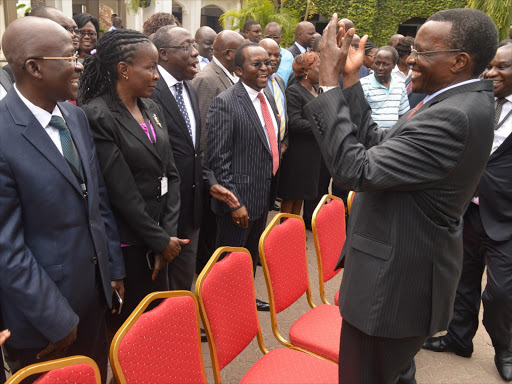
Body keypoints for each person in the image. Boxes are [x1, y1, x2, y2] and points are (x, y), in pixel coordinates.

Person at [306, 9, 498, 383]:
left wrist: (328, 83)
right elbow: (379, 144)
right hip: (400, 278)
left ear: (460, 61)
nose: (410, 59)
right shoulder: (451, 102)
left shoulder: (454, 115)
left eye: (422, 52)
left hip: (392, 288)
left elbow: (356, 170)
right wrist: (348, 79)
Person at [0, 17, 125, 382]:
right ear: (34, 67)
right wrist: (56, 318)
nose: (80, 63)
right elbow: (6, 248)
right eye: (69, 57)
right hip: (42, 316)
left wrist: (113, 269)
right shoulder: (4, 135)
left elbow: (97, 199)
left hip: (93, 298)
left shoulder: (74, 116)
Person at [79, 29, 185, 334]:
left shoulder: (151, 107)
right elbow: (121, 192)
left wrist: (169, 234)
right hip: (131, 245)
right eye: (149, 68)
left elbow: (172, 173)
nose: (156, 76)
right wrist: (159, 241)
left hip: (162, 240)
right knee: (132, 333)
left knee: (156, 325)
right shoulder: (98, 115)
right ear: (123, 70)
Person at [422, 43, 512, 382]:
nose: (490, 73)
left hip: (506, 218)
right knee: (462, 280)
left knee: (502, 292)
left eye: (500, 67)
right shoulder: (479, 103)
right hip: (466, 210)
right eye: (489, 66)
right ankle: (459, 338)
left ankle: (504, 346)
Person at [150, 26, 238, 294]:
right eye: (186, 46)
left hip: (193, 201)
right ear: (163, 54)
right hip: (163, 207)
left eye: (194, 46)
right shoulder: (149, 90)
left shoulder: (188, 88)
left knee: (184, 275)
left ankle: (182, 322)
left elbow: (194, 150)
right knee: (159, 281)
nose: (195, 52)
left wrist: (208, 181)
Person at [207, 43, 281, 312]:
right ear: (238, 70)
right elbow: (218, 158)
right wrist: (234, 202)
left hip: (262, 195)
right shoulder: (225, 102)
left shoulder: (266, 96)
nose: (265, 68)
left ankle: (242, 302)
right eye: (257, 64)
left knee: (249, 255)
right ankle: (219, 313)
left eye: (268, 63)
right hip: (238, 201)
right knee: (229, 259)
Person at [190, 30, 245, 273]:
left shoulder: (230, 76)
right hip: (212, 171)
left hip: (227, 168)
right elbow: (201, 134)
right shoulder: (207, 79)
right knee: (210, 238)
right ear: (229, 54)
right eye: (241, 52)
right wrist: (209, 176)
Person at [279, 52, 322, 215]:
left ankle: (294, 232)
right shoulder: (294, 91)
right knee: (291, 196)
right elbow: (295, 123)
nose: (322, 71)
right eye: (318, 67)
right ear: (305, 71)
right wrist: (321, 125)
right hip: (298, 153)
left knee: (301, 196)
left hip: (312, 152)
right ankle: (285, 235)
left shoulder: (316, 89)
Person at [360, 46, 410, 129]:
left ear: (394, 65)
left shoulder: (400, 84)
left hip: (392, 137)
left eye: (385, 64)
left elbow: (402, 115)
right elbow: (360, 117)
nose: (380, 68)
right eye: (377, 63)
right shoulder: (363, 84)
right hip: (370, 137)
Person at [260, 38, 288, 152]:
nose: (273, 59)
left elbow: (284, 113)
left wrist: (284, 142)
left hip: (281, 149)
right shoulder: (254, 83)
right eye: (268, 54)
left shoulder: (279, 80)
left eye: (277, 55)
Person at [264, 22, 294, 87]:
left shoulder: (288, 56)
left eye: (275, 37)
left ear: (281, 37)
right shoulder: (257, 54)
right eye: (268, 37)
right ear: (263, 36)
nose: (272, 40)